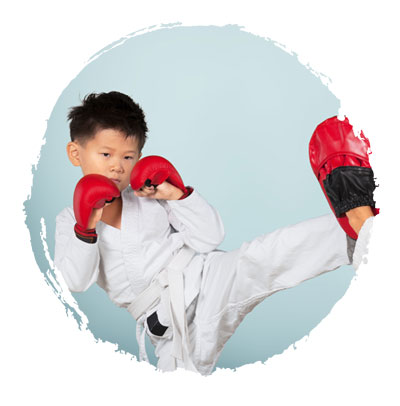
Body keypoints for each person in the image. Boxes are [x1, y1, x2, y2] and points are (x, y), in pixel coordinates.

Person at [54, 91, 378, 376]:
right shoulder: (69, 220)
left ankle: (362, 229)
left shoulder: (149, 194)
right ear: (75, 153)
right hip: (170, 330)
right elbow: (74, 281)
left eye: (128, 157)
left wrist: (177, 196)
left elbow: (210, 238)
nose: (117, 167)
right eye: (106, 154)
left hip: (208, 278)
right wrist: (86, 228)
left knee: (266, 256)